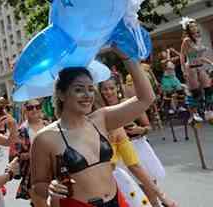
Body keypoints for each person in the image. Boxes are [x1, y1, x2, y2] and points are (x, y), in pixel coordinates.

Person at [30, 47, 156, 207]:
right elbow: (37, 185)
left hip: (117, 201)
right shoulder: (45, 138)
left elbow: (146, 98)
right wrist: (50, 188)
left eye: (90, 89)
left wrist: (127, 57)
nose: (87, 95)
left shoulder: (101, 119)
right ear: (61, 95)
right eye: (78, 89)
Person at [99, 78, 176, 207]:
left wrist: (139, 129)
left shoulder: (129, 104)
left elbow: (148, 127)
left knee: (150, 188)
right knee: (135, 193)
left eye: (111, 88)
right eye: (105, 89)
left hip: (138, 148)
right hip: (119, 155)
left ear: (117, 88)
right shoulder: (100, 112)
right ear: (100, 92)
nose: (108, 92)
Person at [11, 100, 47, 207]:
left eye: (37, 106)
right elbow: (16, 155)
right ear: (25, 110)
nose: (35, 110)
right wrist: (33, 154)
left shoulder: (48, 124)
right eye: (30, 108)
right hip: (33, 174)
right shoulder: (22, 130)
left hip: (52, 171)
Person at [180, 18, 213, 122]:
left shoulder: (199, 38)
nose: (194, 28)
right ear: (188, 30)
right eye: (192, 27)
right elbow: (182, 56)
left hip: (200, 66)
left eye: (195, 26)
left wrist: (211, 63)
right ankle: (195, 113)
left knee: (208, 89)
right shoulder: (186, 41)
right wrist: (183, 71)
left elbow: (199, 56)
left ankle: (208, 110)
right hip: (191, 68)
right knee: (196, 92)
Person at [160, 48, 186, 114]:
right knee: (169, 93)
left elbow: (181, 56)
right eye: (164, 52)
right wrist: (168, 52)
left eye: (165, 52)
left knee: (180, 91)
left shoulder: (171, 60)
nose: (165, 53)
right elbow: (168, 60)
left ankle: (180, 106)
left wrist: (174, 51)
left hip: (174, 78)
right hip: (167, 79)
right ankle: (169, 108)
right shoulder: (163, 61)